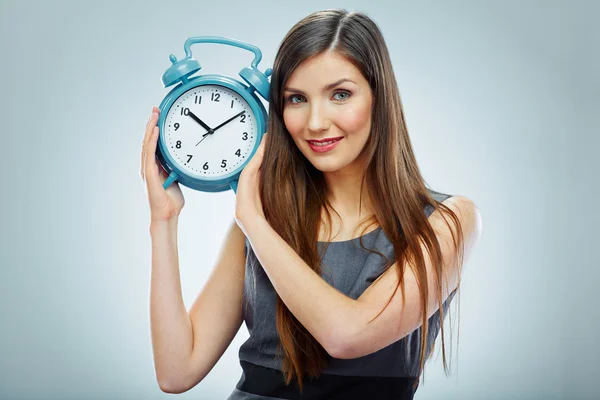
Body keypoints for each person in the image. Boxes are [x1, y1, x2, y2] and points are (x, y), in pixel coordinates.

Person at [140, 8, 482, 400]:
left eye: (340, 94)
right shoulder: (260, 225)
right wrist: (163, 219)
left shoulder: (446, 221)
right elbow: (176, 371)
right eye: (296, 99)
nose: (316, 122)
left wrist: (253, 219)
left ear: (379, 97)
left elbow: (347, 336)